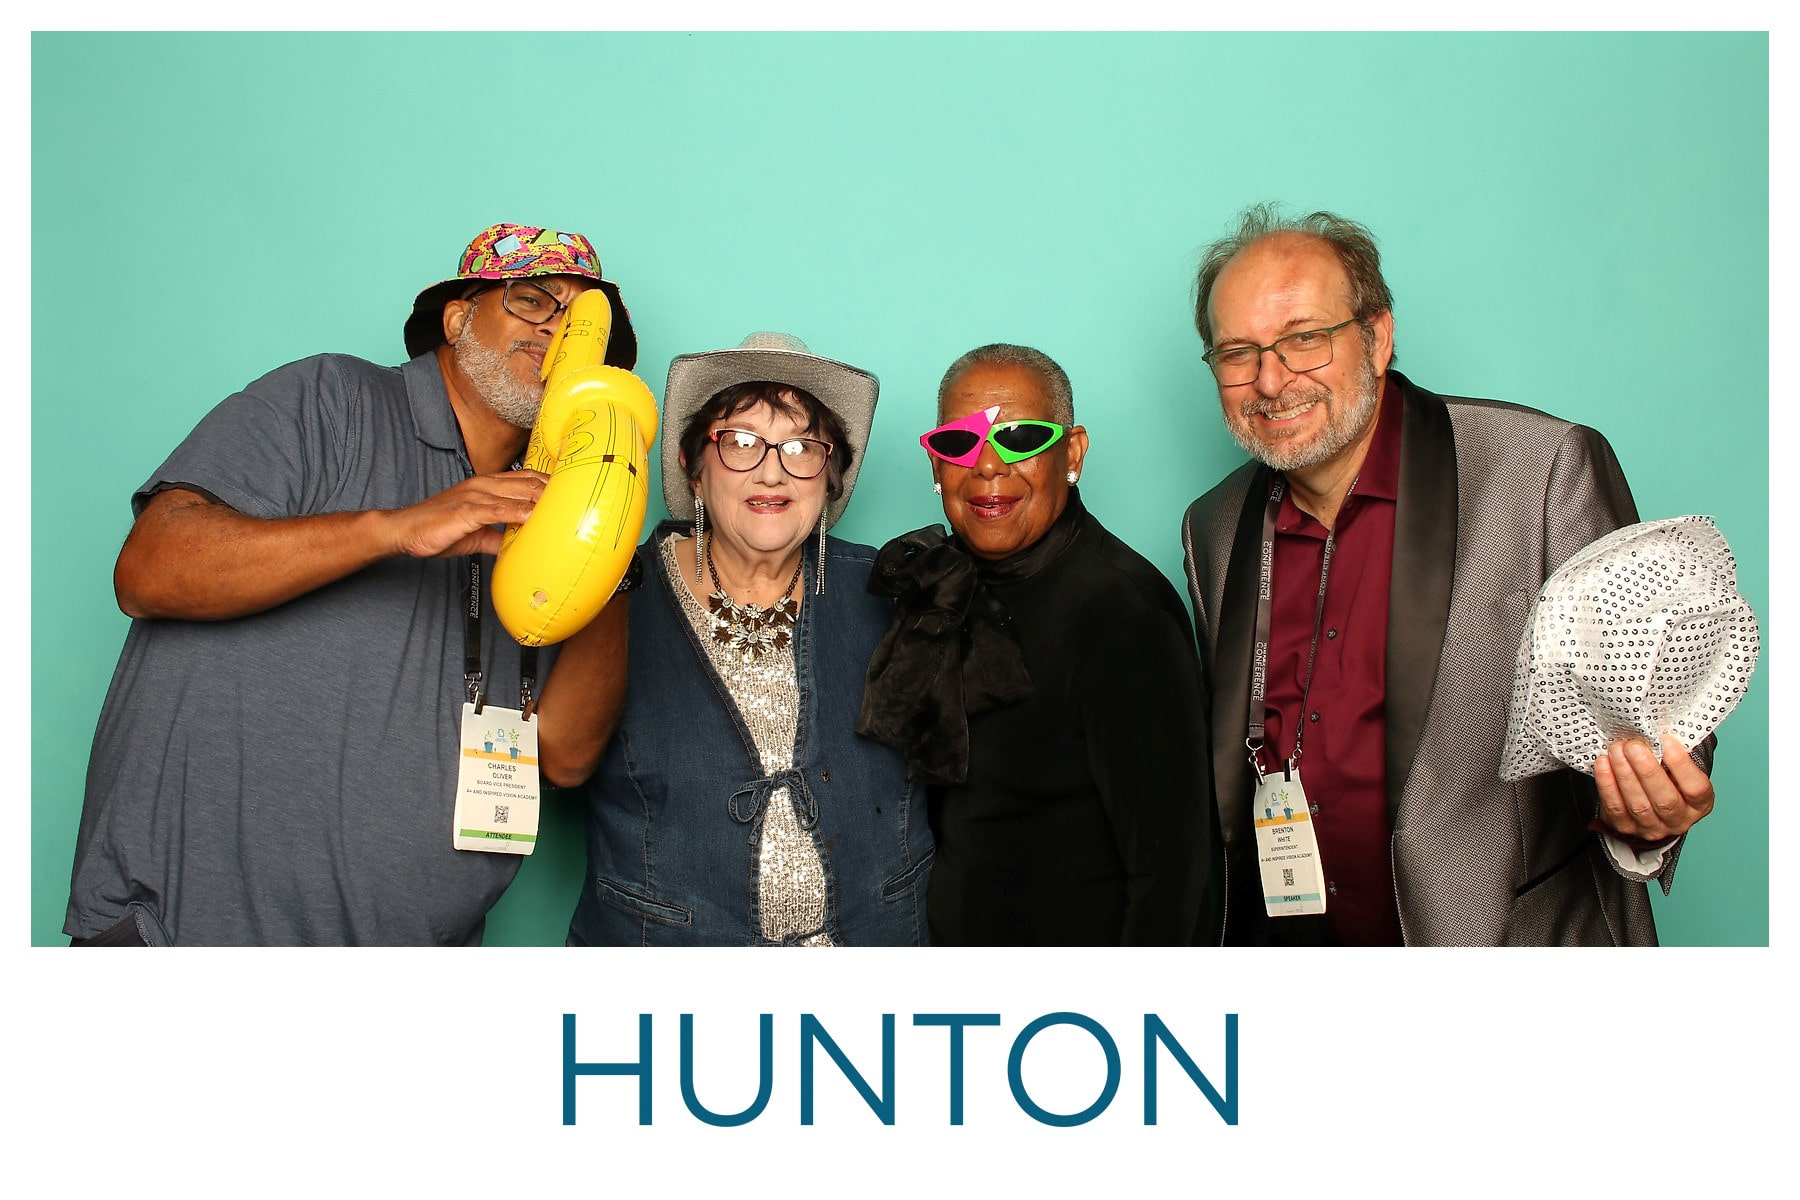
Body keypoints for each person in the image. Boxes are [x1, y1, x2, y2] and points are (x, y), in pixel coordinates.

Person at [64, 223, 637, 945]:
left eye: (584, 324)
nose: (559, 332)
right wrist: (396, 528)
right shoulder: (331, 397)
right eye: (533, 301)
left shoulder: (554, 509)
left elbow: (565, 755)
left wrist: (607, 533)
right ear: (457, 319)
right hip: (189, 935)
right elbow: (149, 571)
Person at [1180, 205, 1717, 946]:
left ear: (1377, 338)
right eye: (1238, 352)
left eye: (1305, 338)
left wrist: (1652, 803)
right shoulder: (1212, 526)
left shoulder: (1540, 468)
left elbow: (1656, 709)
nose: (1271, 380)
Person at [567, 333, 933, 946]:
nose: (772, 471)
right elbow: (560, 761)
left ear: (830, 477)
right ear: (694, 468)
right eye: (740, 442)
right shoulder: (615, 587)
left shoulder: (896, 589)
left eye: (801, 446)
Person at [859, 344, 1210, 945]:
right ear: (936, 466)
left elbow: (1174, 875)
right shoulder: (936, 593)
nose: (988, 466)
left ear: (1072, 453)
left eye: (1020, 438)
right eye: (959, 443)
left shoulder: (1125, 615)